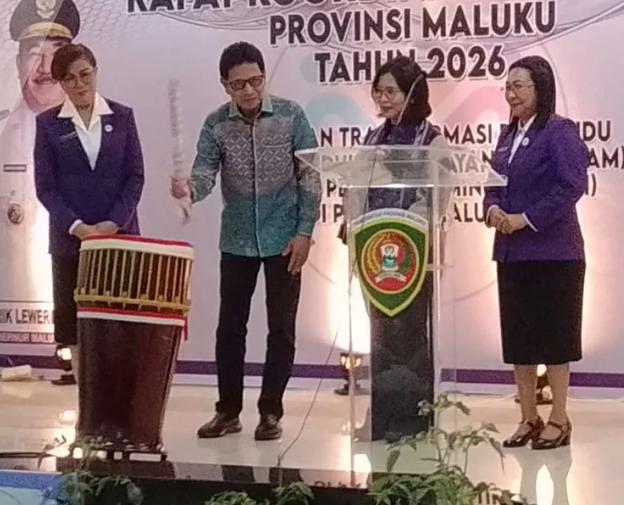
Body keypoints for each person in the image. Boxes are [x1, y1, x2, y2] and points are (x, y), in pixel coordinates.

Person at [170, 41, 321, 441]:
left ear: (264, 77)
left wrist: (304, 232)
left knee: (281, 329)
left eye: (255, 80)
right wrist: (188, 189)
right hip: (237, 240)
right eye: (239, 84)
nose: (250, 90)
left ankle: (270, 412)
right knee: (229, 329)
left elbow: (311, 176)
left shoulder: (292, 116)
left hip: (285, 240)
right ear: (225, 86)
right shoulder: (216, 124)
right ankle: (228, 411)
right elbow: (204, 173)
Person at [483, 55, 588, 450]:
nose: (511, 94)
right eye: (507, 87)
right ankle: (529, 417)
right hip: (512, 253)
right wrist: (493, 209)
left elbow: (571, 186)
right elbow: (492, 182)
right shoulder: (507, 135)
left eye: (518, 86)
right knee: (520, 340)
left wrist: (525, 219)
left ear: (540, 88)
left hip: (554, 253)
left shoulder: (559, 131)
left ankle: (559, 418)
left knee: (555, 339)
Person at [346, 56, 450, 442]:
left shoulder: (432, 141)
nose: (383, 98)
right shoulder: (374, 139)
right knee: (381, 336)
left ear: (412, 94)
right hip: (374, 252)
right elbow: (355, 191)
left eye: (392, 91)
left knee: (410, 336)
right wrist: (357, 229)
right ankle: (382, 416)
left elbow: (436, 200)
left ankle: (414, 420)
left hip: (413, 254)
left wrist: (405, 231)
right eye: (379, 91)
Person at [34, 43, 145, 381]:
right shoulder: (48, 124)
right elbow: (46, 188)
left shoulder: (122, 116)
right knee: (75, 328)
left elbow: (135, 176)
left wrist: (114, 222)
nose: (79, 84)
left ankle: (119, 404)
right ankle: (87, 404)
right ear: (61, 83)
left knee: (119, 321)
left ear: (96, 71)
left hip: (119, 238)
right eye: (69, 78)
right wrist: (78, 226)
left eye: (85, 74)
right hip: (71, 242)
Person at [0, 0, 80, 371]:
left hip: (74, 247)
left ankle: (73, 357)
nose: (46, 68)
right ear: (18, 63)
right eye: (35, 53)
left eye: (57, 54)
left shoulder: (97, 124)